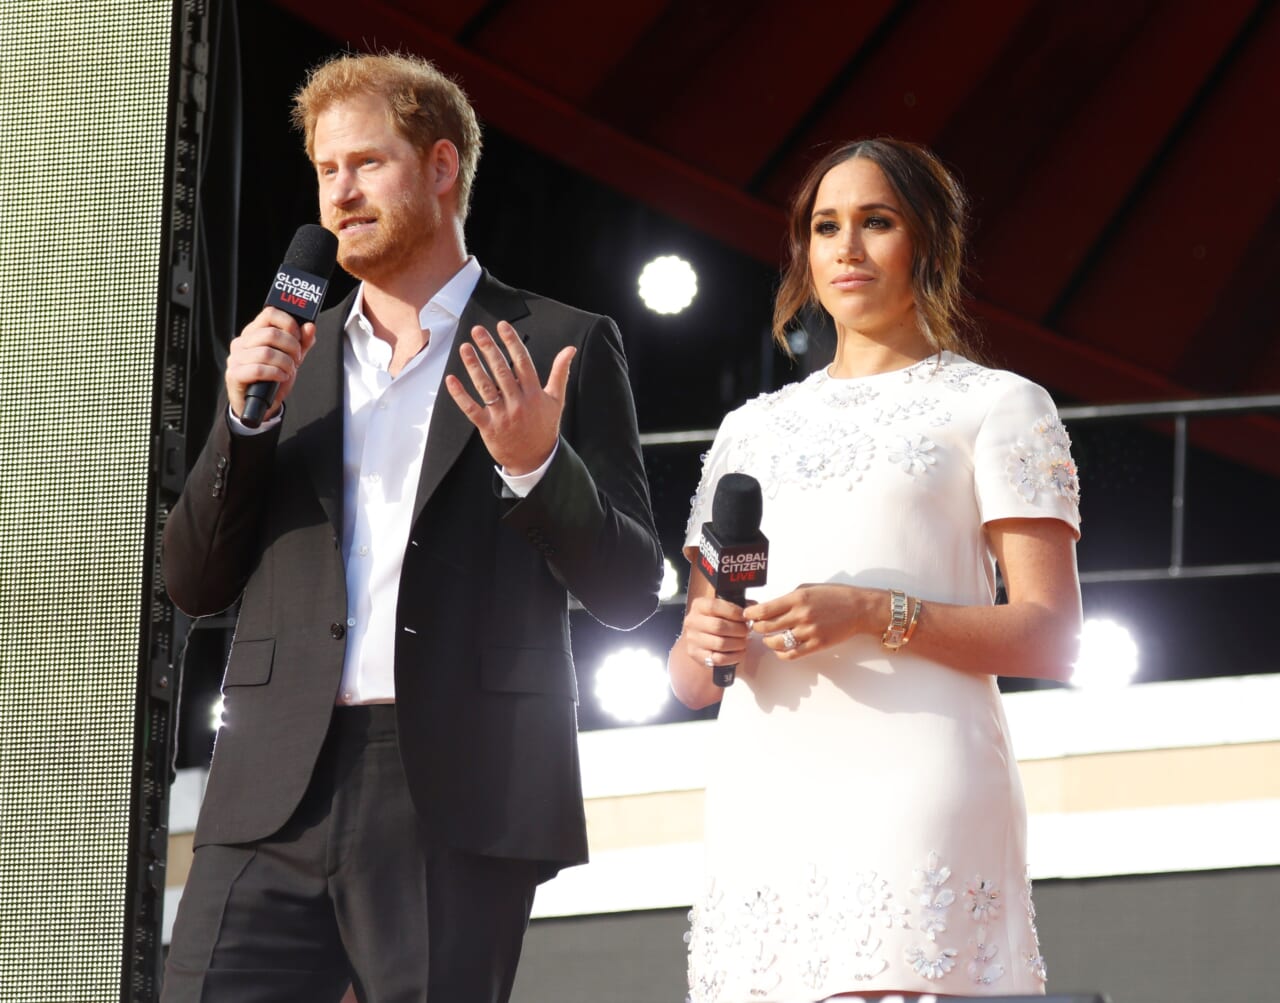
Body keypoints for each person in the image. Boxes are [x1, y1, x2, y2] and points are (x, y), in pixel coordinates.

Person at [161, 51, 663, 1003]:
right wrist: (245, 423)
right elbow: (192, 580)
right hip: (270, 779)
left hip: (457, 781)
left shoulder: (557, 342)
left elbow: (631, 587)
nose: (340, 193)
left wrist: (536, 463)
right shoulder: (290, 357)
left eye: (366, 163)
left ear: (440, 167)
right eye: (325, 169)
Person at [669, 138, 1082, 1001]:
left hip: (919, 777)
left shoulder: (997, 404)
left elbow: (1051, 636)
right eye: (825, 227)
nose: (847, 248)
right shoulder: (751, 428)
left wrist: (871, 611)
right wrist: (704, 639)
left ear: (928, 241)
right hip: (765, 784)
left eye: (876, 222)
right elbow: (692, 679)